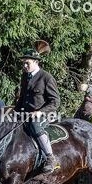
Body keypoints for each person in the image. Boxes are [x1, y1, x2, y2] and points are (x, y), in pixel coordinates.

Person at [14, 40, 60, 174]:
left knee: (34, 124)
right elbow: (22, 98)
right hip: (25, 114)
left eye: (27, 62)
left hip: (44, 115)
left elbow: (55, 102)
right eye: (23, 62)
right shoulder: (25, 76)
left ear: (36, 62)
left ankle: (50, 158)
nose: (24, 65)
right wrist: (13, 112)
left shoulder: (46, 77)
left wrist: (40, 112)